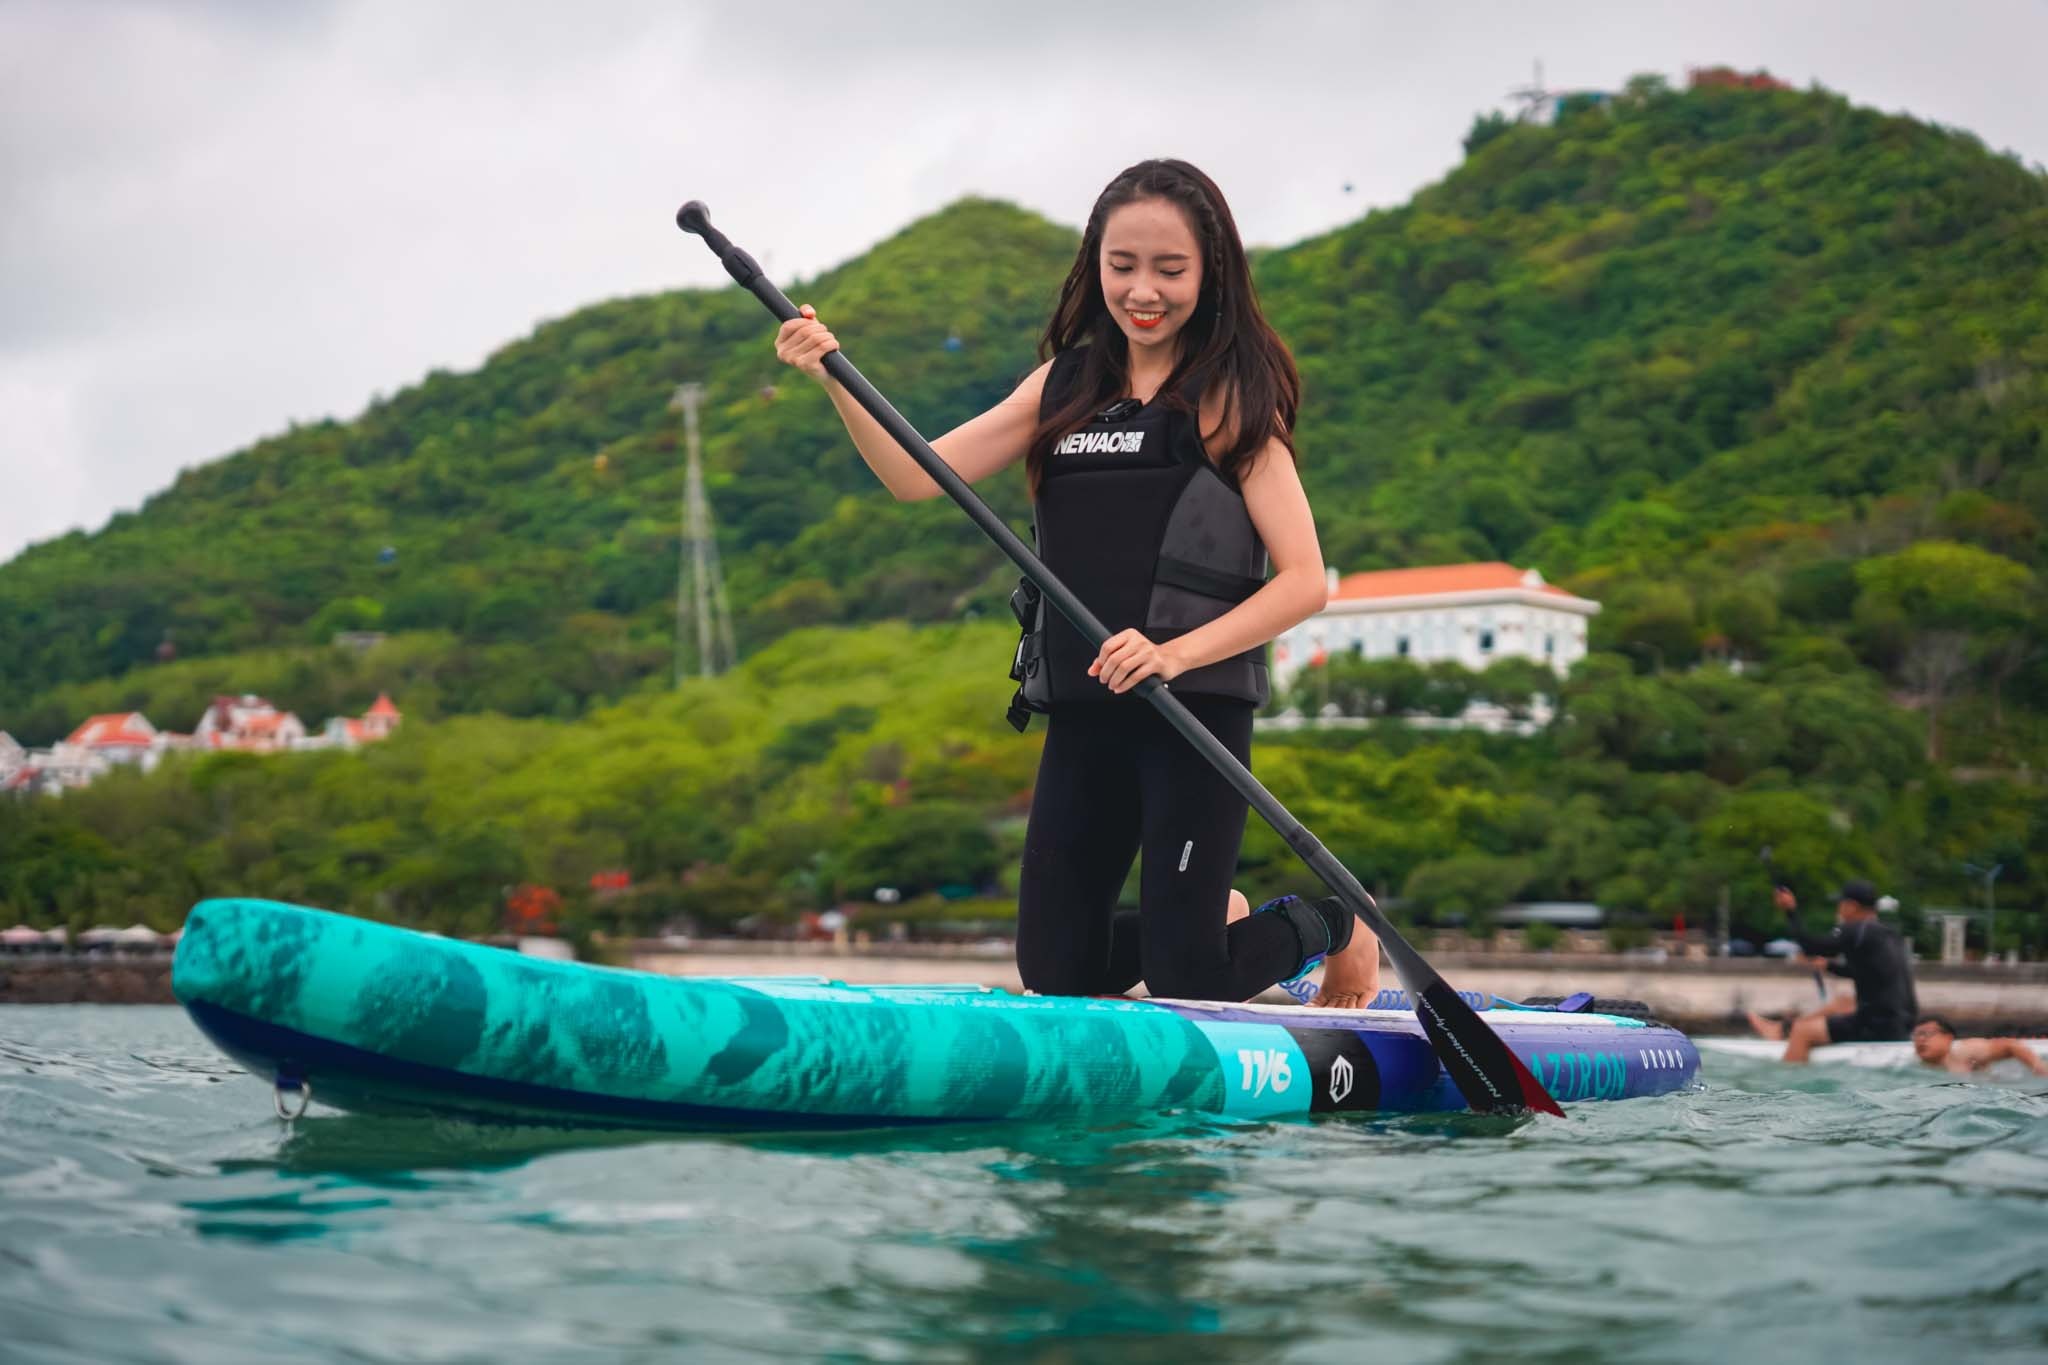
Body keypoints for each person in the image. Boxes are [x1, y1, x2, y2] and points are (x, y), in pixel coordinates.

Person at [772, 158, 1380, 1006]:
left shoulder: (1228, 400)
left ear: (1210, 274)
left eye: (1170, 270)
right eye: (1122, 264)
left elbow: (1305, 581)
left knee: (1186, 977)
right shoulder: (1065, 385)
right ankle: (1208, 915)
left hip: (1192, 710)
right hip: (1087, 709)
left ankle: (1337, 922)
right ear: (1095, 263)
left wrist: (1173, 652)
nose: (1144, 290)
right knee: (1056, 974)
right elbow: (919, 476)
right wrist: (834, 376)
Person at [1744, 879, 1917, 1062]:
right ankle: (1781, 1030)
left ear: (1851, 906)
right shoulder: (1888, 934)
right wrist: (1828, 966)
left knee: (1802, 1032)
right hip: (1903, 1023)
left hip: (1877, 1026)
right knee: (1844, 1002)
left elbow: (1810, 946)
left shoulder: (1856, 929)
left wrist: (1790, 911)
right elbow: (1864, 973)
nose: (1838, 909)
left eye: (1840, 904)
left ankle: (1787, 1077)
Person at [1911, 1017, 2048, 1076]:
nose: (1921, 1040)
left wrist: (2038, 1067)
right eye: (1916, 1035)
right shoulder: (1912, 1065)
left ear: (1948, 1038)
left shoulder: (1964, 1051)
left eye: (1926, 1034)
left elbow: (2010, 1045)